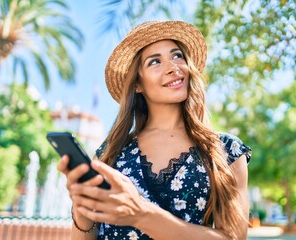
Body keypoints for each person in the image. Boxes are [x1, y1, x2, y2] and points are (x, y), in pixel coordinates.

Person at [58, 20, 252, 240]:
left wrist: (141, 214)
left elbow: (234, 238)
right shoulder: (110, 152)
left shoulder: (226, 151)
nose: (173, 67)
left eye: (177, 55)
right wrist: (82, 212)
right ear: (137, 85)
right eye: (155, 62)